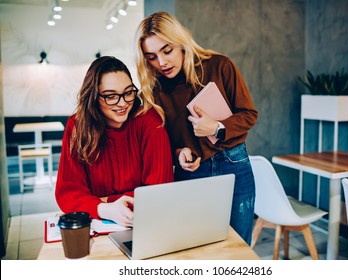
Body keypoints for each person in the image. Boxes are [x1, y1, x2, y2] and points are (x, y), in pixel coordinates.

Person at [135, 12, 258, 245]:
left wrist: (217, 127)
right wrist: (179, 153)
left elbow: (249, 114)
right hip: (190, 174)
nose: (161, 62)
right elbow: (163, 140)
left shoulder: (220, 65)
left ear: (181, 43)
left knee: (239, 248)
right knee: (196, 249)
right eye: (151, 56)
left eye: (167, 50)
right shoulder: (153, 90)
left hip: (234, 165)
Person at [55, 56, 174, 227]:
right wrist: (106, 209)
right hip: (97, 224)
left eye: (128, 92)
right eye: (110, 96)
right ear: (94, 97)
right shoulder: (76, 126)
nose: (123, 103)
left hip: (145, 223)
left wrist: (103, 200)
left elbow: (158, 193)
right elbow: (68, 194)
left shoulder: (149, 121)